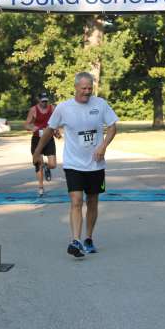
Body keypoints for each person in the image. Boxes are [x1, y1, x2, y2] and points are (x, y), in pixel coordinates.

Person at [32, 72, 118, 258]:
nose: (87, 92)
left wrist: (103, 146)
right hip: (73, 164)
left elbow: (112, 127)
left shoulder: (100, 104)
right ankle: (76, 240)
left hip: (96, 164)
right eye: (84, 88)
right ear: (76, 88)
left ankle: (88, 238)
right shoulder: (64, 108)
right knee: (76, 201)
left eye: (90, 88)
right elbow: (49, 130)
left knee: (93, 201)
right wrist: (38, 151)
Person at [24, 91, 58, 196]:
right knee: (38, 163)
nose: (44, 103)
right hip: (37, 139)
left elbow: (56, 122)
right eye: (42, 101)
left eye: (46, 101)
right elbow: (26, 124)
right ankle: (41, 187)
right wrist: (34, 128)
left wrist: (56, 131)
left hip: (48, 139)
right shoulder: (33, 110)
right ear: (39, 100)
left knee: (53, 164)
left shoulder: (52, 108)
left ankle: (47, 167)